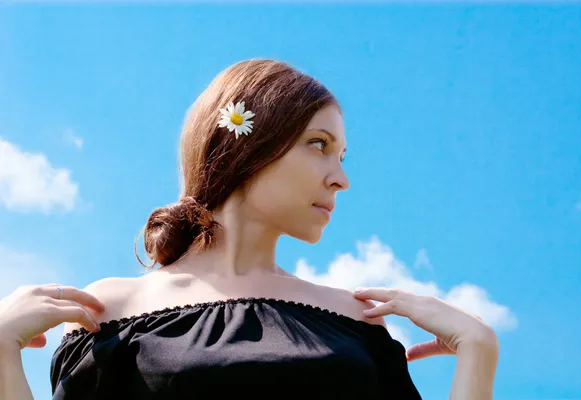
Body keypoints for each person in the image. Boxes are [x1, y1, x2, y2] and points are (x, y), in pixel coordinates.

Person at [0, 59, 499, 399]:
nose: (341, 179)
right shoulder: (104, 312)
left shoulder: (356, 320)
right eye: (319, 144)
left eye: (342, 156)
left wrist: (478, 350)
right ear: (246, 145)